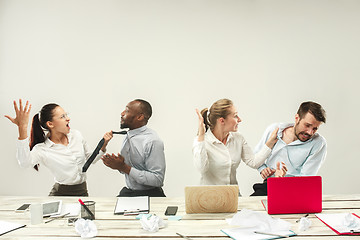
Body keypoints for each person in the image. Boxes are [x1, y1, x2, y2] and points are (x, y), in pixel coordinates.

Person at [5, 99, 112, 196]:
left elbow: (90, 159)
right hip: (60, 194)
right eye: (62, 117)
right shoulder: (42, 149)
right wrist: (22, 128)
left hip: (82, 192)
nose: (68, 119)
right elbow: (24, 163)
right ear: (50, 124)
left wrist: (104, 144)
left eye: (66, 115)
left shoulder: (77, 135)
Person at [193, 99, 286, 194]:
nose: (240, 120)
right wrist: (201, 135)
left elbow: (253, 162)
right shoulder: (202, 141)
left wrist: (270, 142)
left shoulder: (238, 138)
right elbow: (202, 168)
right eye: (235, 116)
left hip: (233, 198)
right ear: (222, 121)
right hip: (210, 198)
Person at [251, 101, 327, 196]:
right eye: (307, 125)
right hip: (269, 185)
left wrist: (283, 181)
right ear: (297, 118)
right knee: (250, 207)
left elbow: (306, 179)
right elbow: (256, 154)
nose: (310, 132)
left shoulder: (318, 143)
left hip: (296, 190)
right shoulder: (275, 130)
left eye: (315, 129)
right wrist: (262, 169)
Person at [101, 99, 166, 197]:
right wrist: (118, 165)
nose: (122, 113)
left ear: (140, 117)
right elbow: (129, 169)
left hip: (151, 196)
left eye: (127, 111)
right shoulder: (129, 135)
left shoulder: (152, 141)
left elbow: (157, 179)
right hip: (130, 192)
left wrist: (124, 167)